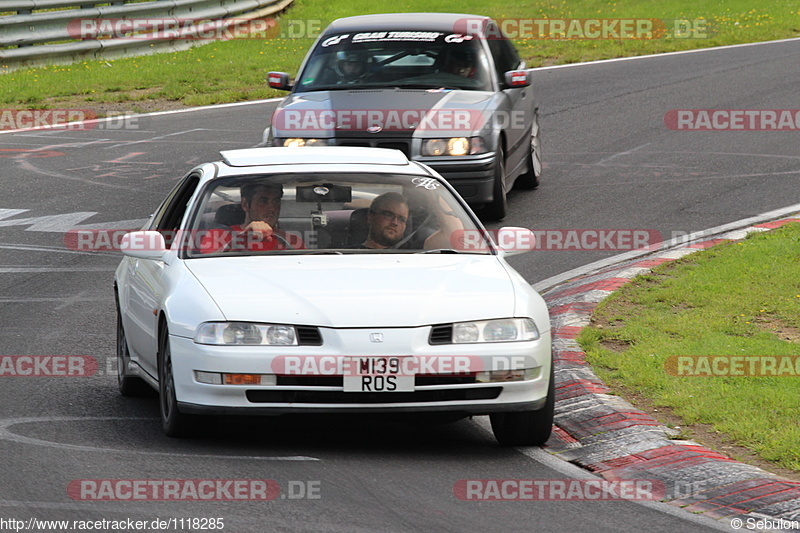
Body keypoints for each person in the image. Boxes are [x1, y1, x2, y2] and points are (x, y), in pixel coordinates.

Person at [200, 182, 304, 253]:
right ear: (245, 204)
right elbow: (207, 267)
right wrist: (242, 238)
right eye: (263, 201)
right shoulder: (218, 236)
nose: (272, 208)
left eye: (276, 201)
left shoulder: (292, 240)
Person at [358, 192, 463, 250]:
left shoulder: (413, 252)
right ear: (370, 216)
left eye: (401, 219)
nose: (395, 222)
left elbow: (455, 235)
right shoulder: (345, 252)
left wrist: (431, 191)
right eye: (388, 215)